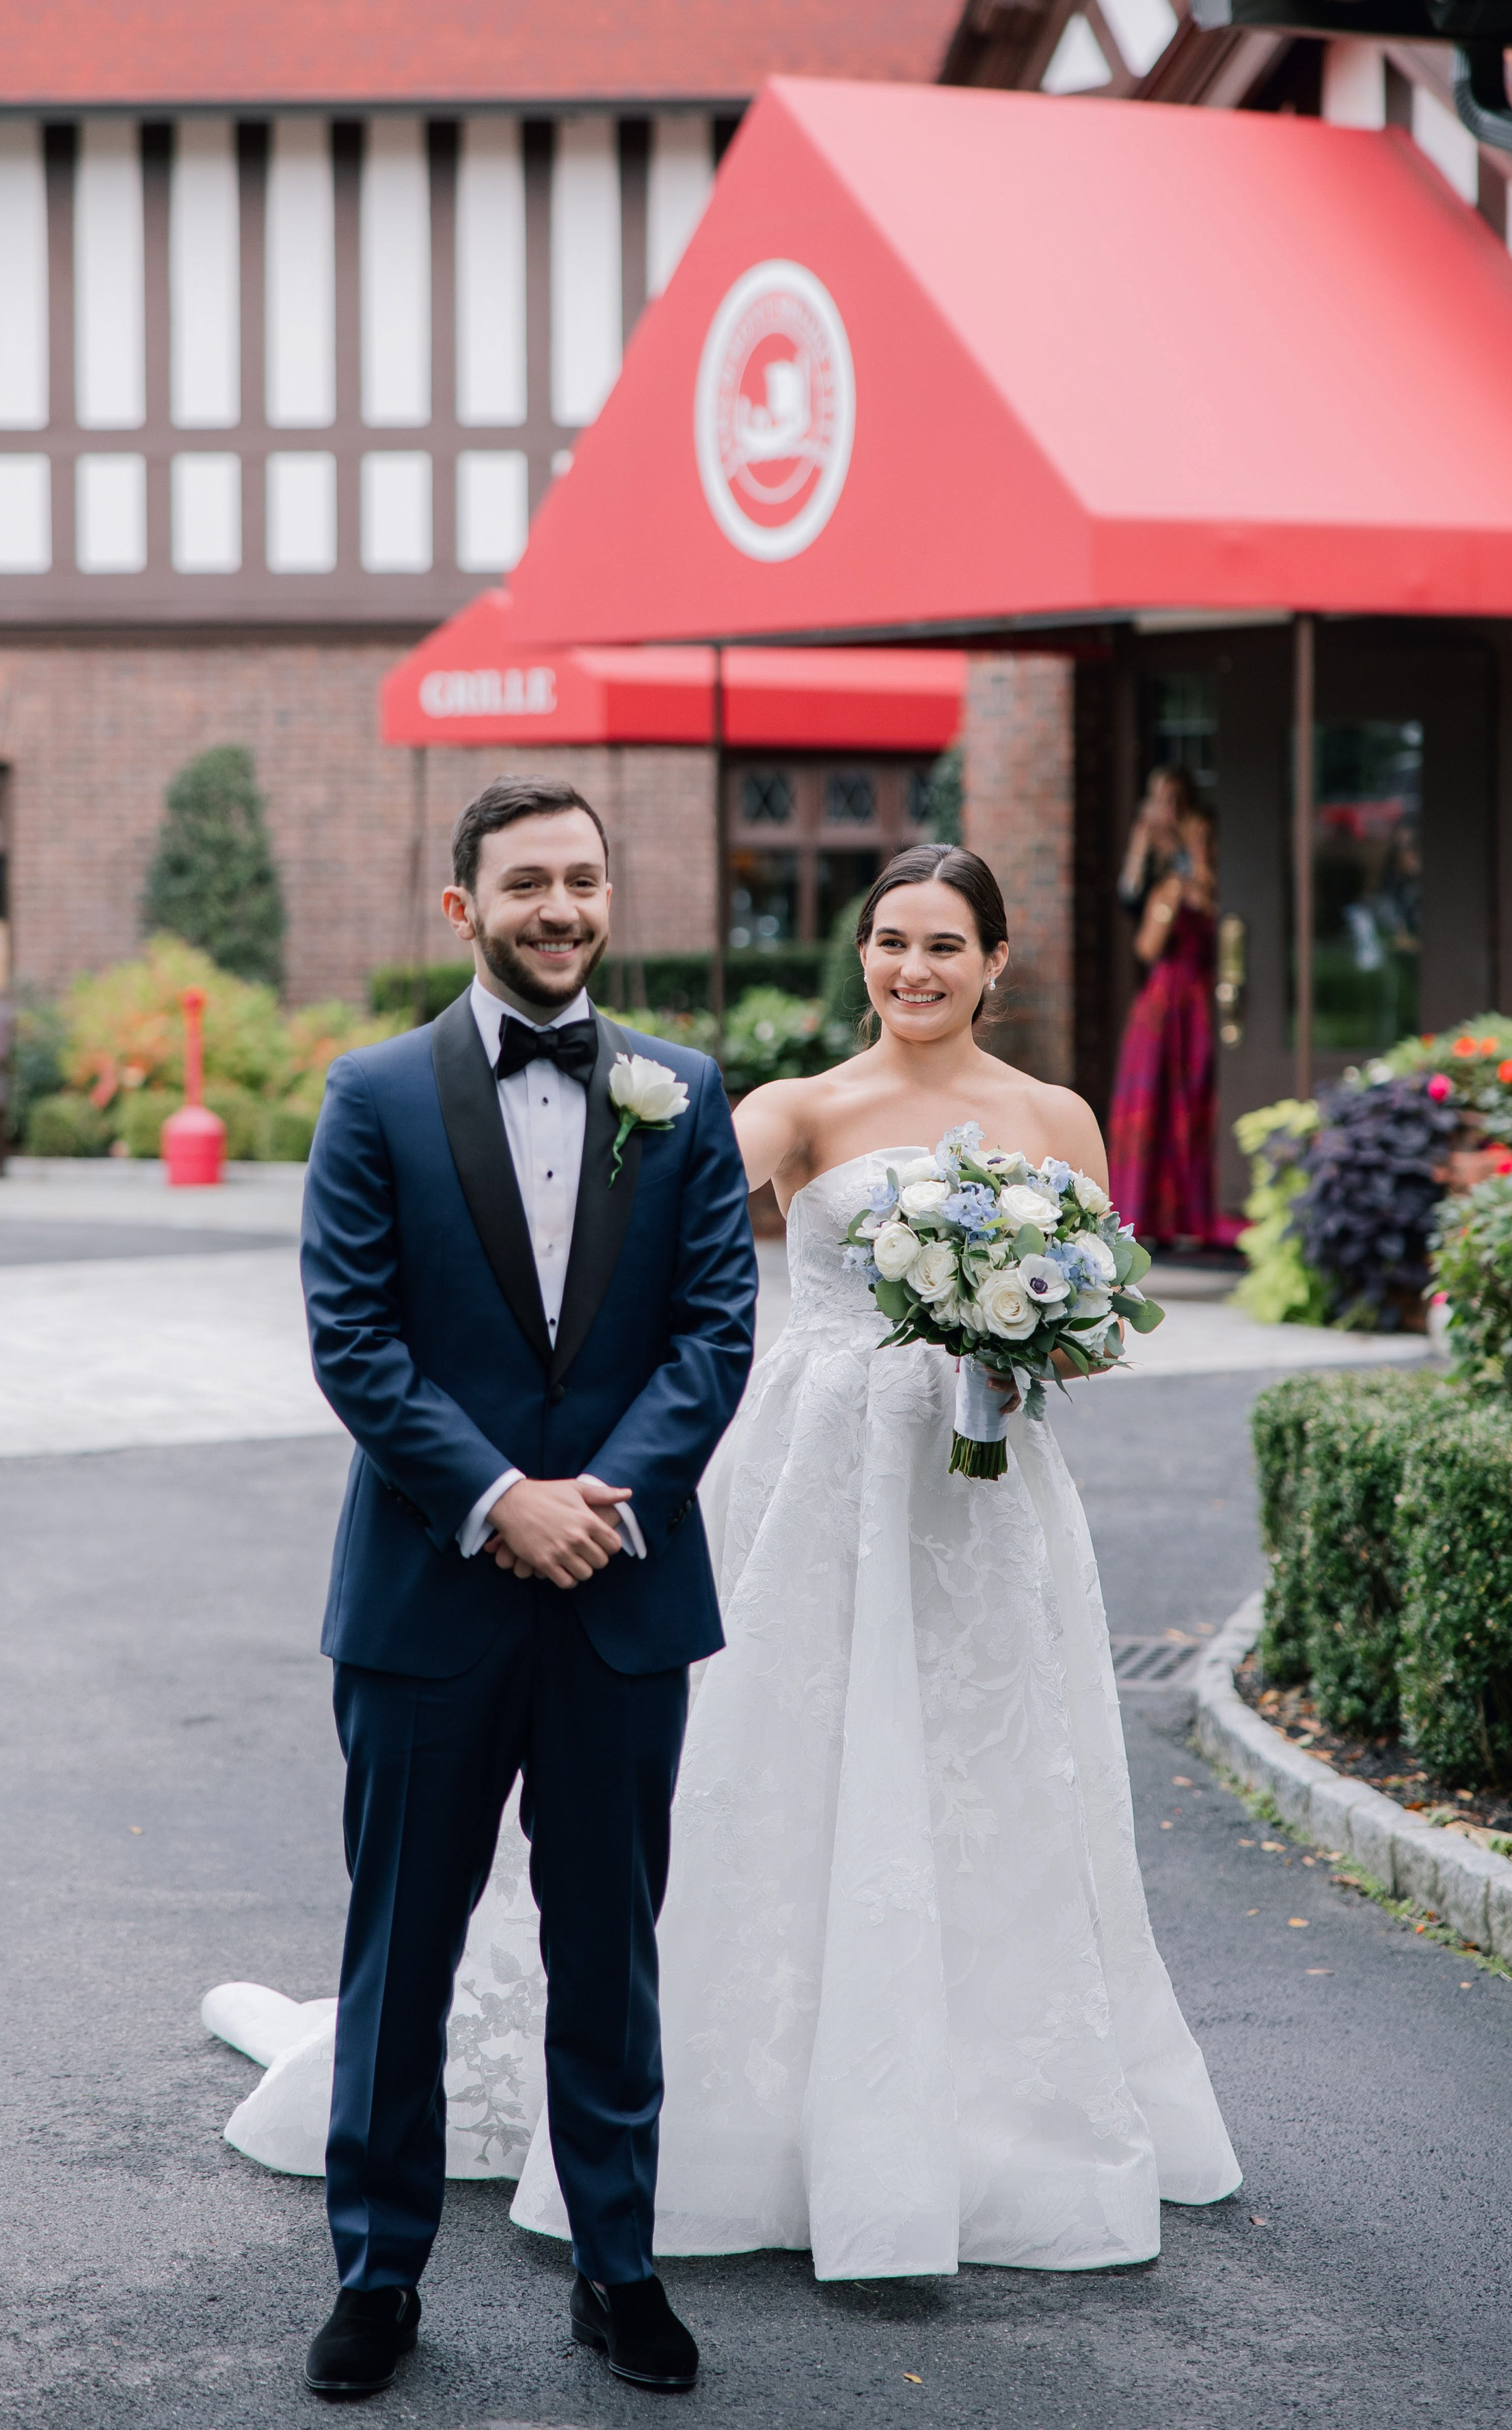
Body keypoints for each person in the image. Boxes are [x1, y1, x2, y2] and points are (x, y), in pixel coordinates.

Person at [502, 840, 1240, 2275]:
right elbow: (646, 1236)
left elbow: (1099, 1332)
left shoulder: (1051, 1118)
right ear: (860, 957)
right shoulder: (798, 1111)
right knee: (784, 1759)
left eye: (944, 946)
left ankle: (993, 2120)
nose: (914, 969)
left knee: (985, 1775)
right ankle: (743, 2119)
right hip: (814, 1483)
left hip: (983, 1498)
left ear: (995, 963)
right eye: (890, 942)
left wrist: (1012, 1329)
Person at [294, 773, 755, 2397]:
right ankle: (376, 2268)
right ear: (460, 906)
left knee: (606, 1939)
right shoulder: (372, 1095)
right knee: (399, 1942)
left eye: (580, 878)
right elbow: (354, 1340)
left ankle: (616, 2264)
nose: (557, 905)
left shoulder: (682, 1092)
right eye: (524, 882)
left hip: (618, 1588)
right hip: (429, 1594)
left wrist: (594, 1504)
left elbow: (716, 1331)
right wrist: (497, 1498)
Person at [1108, 766, 1218, 1247]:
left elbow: (1212, 898)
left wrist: (1193, 858)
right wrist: (1142, 851)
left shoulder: (1202, 845)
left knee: (1195, 1099)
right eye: (1159, 799)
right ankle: (1148, 1216)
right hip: (1162, 995)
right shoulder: (1150, 852)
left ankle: (1196, 1216)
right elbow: (1139, 926)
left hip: (1200, 993)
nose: (1166, 810)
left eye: (1175, 799)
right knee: (1151, 1104)